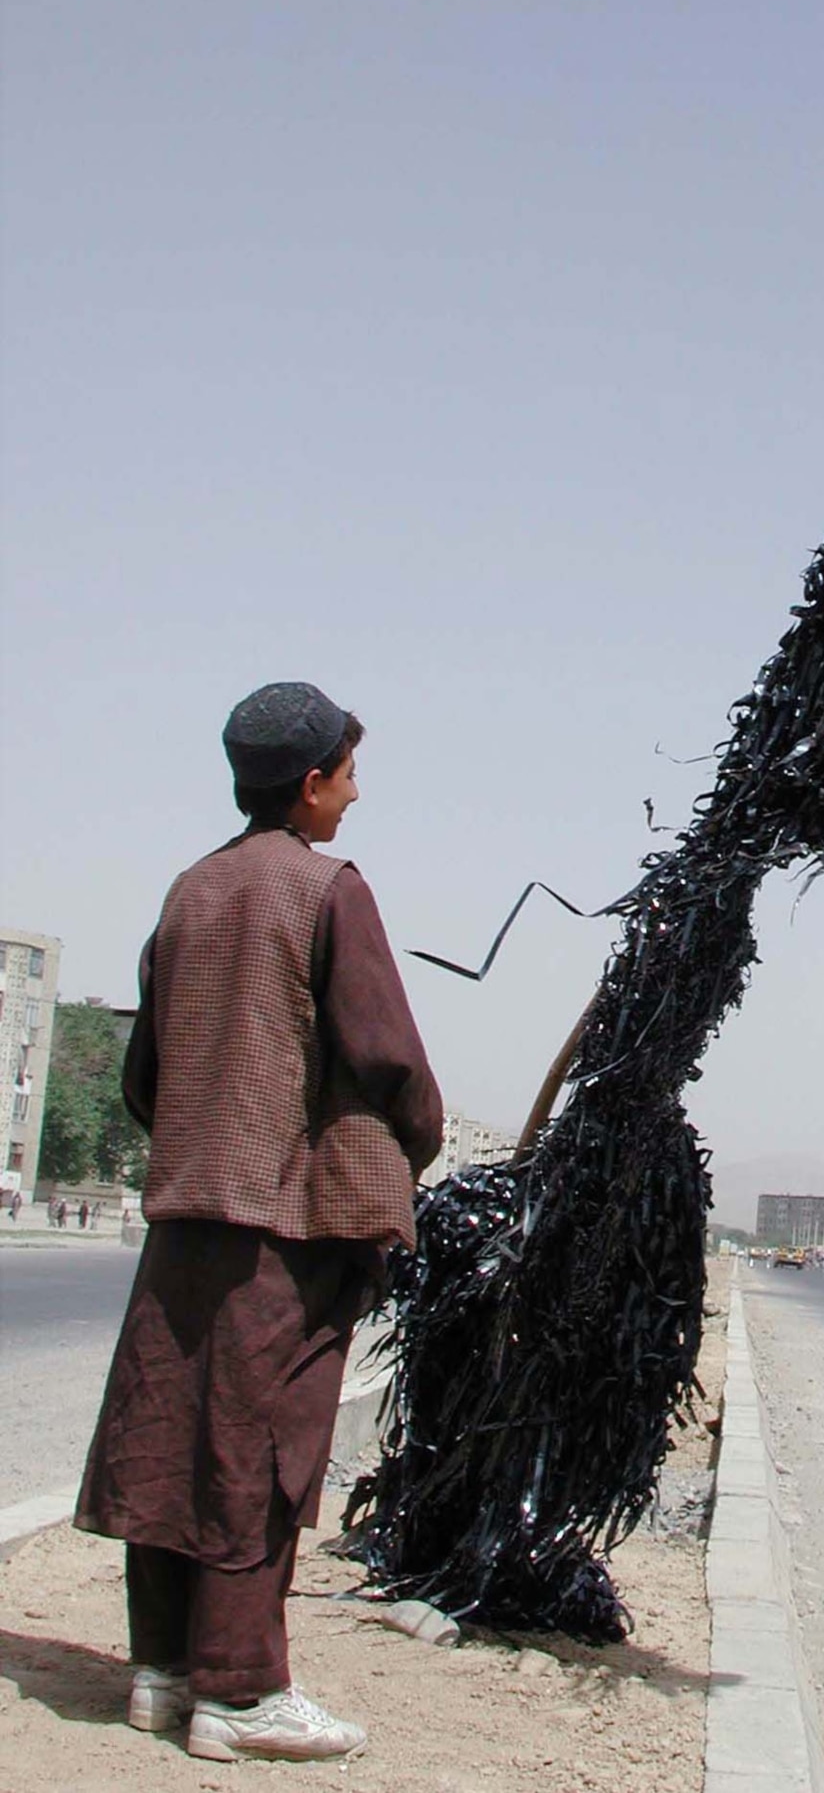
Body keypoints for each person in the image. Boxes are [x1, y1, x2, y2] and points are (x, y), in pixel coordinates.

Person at [75, 681, 442, 1765]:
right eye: (348, 772)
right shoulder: (329, 889)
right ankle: (240, 1692)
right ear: (312, 780)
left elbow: (147, 1075)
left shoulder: (188, 891)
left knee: (165, 1432)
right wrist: (408, 1145)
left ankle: (160, 1671)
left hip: (184, 1214)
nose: (356, 793)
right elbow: (387, 1059)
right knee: (259, 1447)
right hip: (282, 1227)